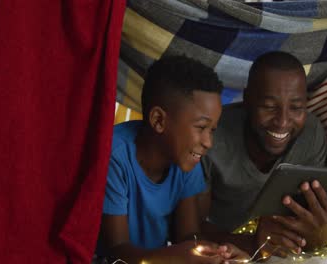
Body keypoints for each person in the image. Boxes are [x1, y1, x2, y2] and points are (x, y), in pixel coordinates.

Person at [98, 56, 249, 264]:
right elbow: (116, 252)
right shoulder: (115, 156)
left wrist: (215, 253)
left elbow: (187, 236)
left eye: (212, 130)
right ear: (158, 120)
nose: (208, 142)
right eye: (201, 128)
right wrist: (170, 259)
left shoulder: (185, 159)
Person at [200, 51, 327, 257]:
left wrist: (321, 232)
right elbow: (190, 232)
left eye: (296, 108)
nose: (282, 122)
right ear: (247, 100)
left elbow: (309, 226)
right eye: (269, 107)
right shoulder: (212, 138)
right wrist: (253, 243)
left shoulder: (311, 136)